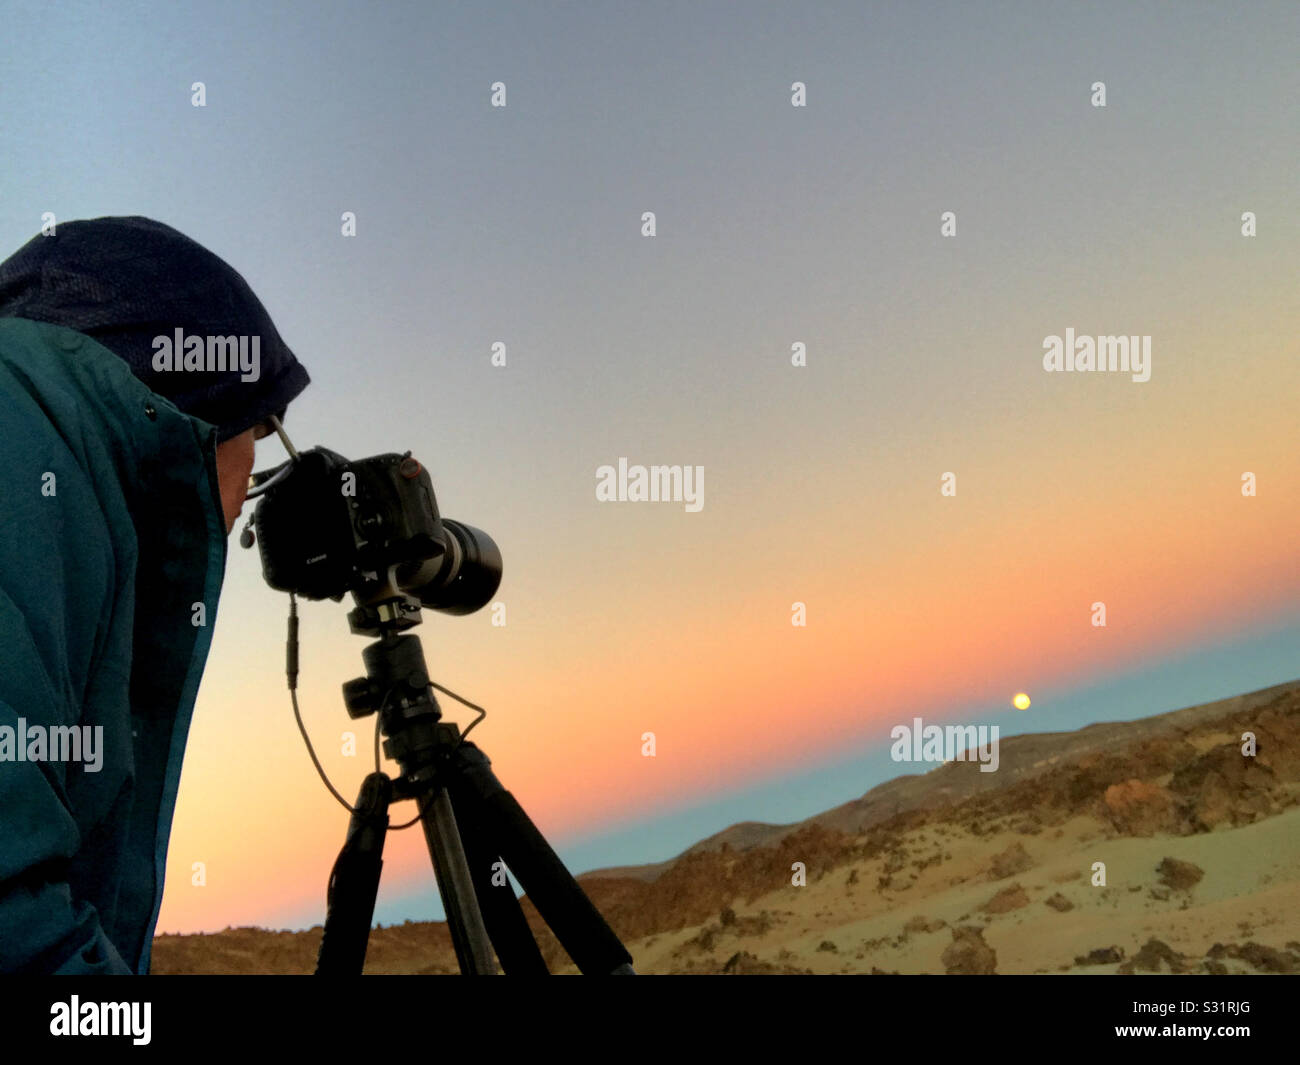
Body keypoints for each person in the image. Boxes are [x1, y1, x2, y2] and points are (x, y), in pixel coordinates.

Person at [0, 216, 310, 973]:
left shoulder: (46, 462)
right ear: (210, 414)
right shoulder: (24, 457)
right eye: (260, 445)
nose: (243, 502)